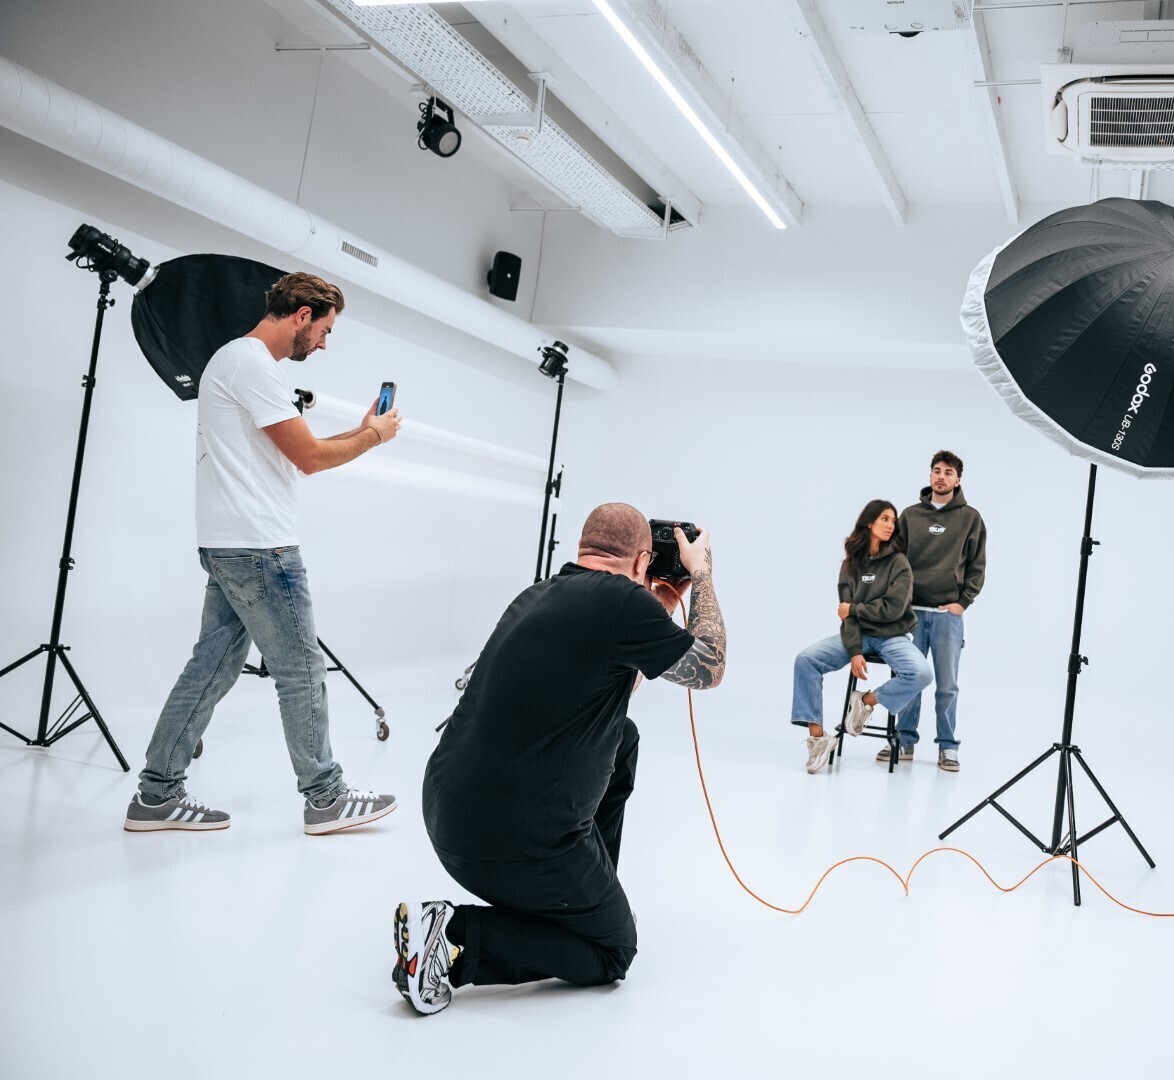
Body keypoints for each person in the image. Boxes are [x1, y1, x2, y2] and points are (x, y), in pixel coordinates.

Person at [395, 503, 726, 1016]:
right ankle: (452, 939)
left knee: (624, 738)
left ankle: (588, 896)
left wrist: (660, 598)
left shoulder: (537, 596)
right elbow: (710, 667)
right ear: (642, 560)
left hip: (448, 817)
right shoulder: (620, 604)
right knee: (613, 951)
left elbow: (603, 684)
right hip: (508, 842)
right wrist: (700, 573)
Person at [125, 273, 401, 835]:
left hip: (232, 544)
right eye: (323, 330)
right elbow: (310, 459)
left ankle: (156, 794)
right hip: (260, 550)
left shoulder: (237, 363)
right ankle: (325, 796)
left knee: (211, 668)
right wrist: (375, 437)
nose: (323, 343)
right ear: (301, 316)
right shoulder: (252, 365)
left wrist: (359, 429)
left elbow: (296, 451)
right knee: (301, 670)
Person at [791, 500, 931, 774]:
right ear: (869, 522)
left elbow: (893, 609)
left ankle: (864, 702)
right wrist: (855, 651)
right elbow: (848, 619)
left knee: (921, 673)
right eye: (885, 519)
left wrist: (854, 608)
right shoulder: (850, 565)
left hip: (893, 636)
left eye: (893, 521)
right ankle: (818, 739)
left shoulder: (899, 563)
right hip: (859, 636)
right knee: (806, 660)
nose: (891, 525)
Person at [891, 450, 987, 773]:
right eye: (936, 470)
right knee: (908, 679)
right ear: (930, 475)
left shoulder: (970, 519)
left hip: (948, 617)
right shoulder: (910, 516)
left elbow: (977, 567)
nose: (941, 476)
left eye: (948, 472)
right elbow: (894, 562)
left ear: (958, 480)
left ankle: (948, 747)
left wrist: (963, 603)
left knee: (947, 685)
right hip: (911, 615)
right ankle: (904, 742)